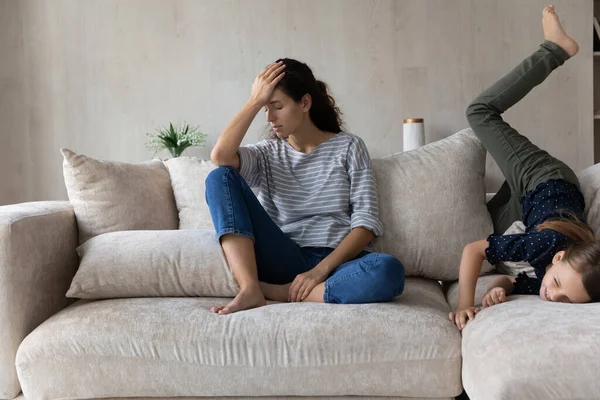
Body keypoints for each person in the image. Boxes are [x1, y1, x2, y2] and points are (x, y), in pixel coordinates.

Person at [206, 58, 405, 315]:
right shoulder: (267, 153)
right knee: (219, 177)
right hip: (283, 257)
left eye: (277, 106)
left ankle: (278, 292)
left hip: (336, 264)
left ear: (305, 103)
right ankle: (250, 288)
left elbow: (365, 225)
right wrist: (254, 101)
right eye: (265, 108)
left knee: (388, 270)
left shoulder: (349, 147)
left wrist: (318, 272)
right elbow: (220, 156)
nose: (270, 117)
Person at [450, 5, 600, 331]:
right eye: (558, 285)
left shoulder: (553, 278)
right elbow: (474, 251)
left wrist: (496, 291)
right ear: (558, 260)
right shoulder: (545, 246)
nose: (552, 296)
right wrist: (465, 305)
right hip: (543, 177)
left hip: (531, 205)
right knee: (479, 111)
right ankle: (555, 49)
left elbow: (513, 281)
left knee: (475, 219)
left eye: (565, 300)